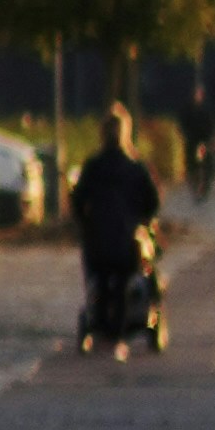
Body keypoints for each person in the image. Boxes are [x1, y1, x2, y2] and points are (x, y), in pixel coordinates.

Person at [71, 97, 165, 354]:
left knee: (99, 279)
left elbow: (78, 200)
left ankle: (100, 321)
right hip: (127, 241)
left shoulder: (93, 167)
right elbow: (153, 201)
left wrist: (86, 223)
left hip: (98, 243)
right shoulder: (136, 168)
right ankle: (122, 326)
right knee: (128, 276)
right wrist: (142, 219)